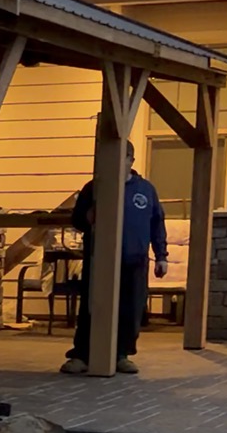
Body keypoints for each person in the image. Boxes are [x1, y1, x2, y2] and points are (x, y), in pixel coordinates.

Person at [60, 142, 167, 375]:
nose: (118, 162)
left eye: (123, 157)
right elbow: (77, 220)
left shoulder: (145, 190)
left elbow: (156, 223)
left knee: (130, 308)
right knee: (91, 307)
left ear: (131, 159)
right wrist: (88, 216)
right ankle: (82, 355)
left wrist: (161, 256)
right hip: (100, 258)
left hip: (135, 260)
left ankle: (121, 354)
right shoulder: (94, 188)